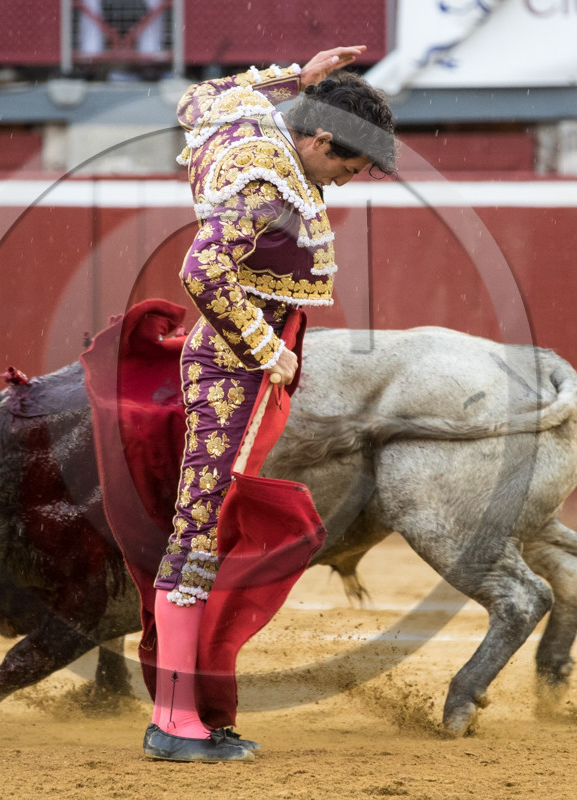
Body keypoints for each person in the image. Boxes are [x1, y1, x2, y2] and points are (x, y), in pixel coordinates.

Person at [143, 45, 397, 762]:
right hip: (231, 371)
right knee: (197, 531)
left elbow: (200, 94)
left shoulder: (247, 118)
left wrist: (299, 77)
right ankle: (172, 723)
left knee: (204, 528)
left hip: (227, 361)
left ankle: (185, 711)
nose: (344, 185)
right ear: (316, 141)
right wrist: (268, 350)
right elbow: (202, 268)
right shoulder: (268, 184)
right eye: (345, 168)